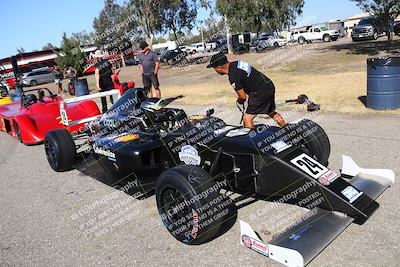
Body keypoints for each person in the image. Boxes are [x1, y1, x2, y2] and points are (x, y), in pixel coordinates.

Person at [207, 52, 286, 129]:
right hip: (268, 86)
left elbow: (243, 97)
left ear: (219, 67)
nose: (215, 71)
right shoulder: (237, 63)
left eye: (214, 68)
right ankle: (288, 131)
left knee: (247, 118)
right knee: (271, 112)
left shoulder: (233, 76)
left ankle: (250, 141)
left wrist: (239, 102)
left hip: (259, 92)